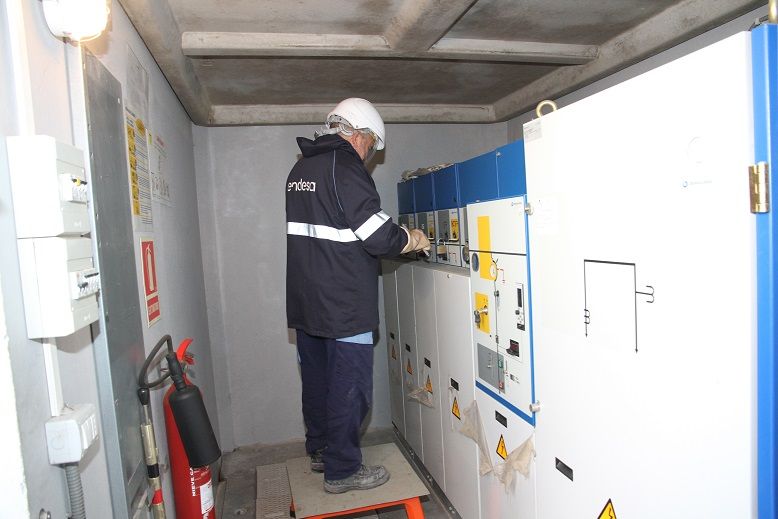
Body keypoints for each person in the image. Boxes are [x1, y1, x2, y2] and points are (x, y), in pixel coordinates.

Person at [285, 98, 430, 494]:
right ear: (361, 134)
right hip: (343, 303)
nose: (370, 155)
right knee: (350, 387)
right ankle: (343, 470)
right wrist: (412, 239)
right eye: (372, 146)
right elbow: (377, 235)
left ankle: (320, 450)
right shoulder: (344, 167)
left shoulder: (301, 168)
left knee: (316, 382)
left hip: (306, 301)